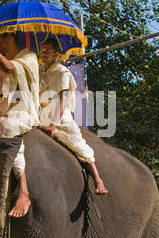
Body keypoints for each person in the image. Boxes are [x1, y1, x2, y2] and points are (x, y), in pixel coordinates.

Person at [38, 38, 108, 195]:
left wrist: (54, 124)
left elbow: (63, 97)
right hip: (39, 115)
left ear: (56, 53)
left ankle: (98, 179)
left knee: (79, 144)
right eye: (41, 51)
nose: (43, 54)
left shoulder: (62, 72)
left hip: (60, 116)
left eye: (47, 51)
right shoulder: (39, 72)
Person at [0, 32, 40, 218]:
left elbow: (10, 68)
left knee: (7, 129)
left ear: (11, 37)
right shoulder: (3, 62)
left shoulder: (29, 57)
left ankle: (23, 192)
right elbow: (0, 96)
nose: (1, 45)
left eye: (2, 40)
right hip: (7, 111)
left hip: (25, 112)